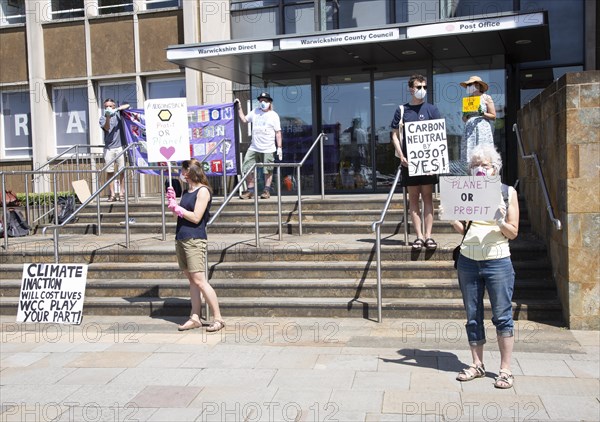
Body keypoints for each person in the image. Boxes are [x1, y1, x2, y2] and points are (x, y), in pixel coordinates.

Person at [451, 144, 519, 389]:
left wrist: (499, 218)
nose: (480, 169)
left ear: (494, 169)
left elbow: (513, 232)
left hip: (498, 261)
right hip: (468, 261)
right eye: (475, 165)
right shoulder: (466, 192)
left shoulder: (506, 192)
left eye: (485, 165)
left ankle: (505, 370)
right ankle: (477, 364)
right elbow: (465, 229)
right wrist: (450, 217)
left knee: (502, 316)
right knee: (473, 317)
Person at [166, 158, 225, 333]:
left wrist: (180, 210)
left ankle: (218, 318)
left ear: (191, 172)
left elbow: (196, 217)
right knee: (192, 280)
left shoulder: (203, 191)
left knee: (199, 280)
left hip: (195, 238)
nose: (181, 174)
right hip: (181, 236)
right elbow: (178, 217)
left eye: (183, 171)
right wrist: (173, 203)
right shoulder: (185, 192)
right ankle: (195, 317)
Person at [390, 74, 441, 250]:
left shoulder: (432, 110)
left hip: (428, 163)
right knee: (413, 198)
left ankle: (428, 236)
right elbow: (395, 134)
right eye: (419, 87)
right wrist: (400, 154)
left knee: (428, 197)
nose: (422, 91)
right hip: (409, 163)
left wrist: (435, 161)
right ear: (411, 88)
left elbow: (438, 136)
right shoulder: (402, 110)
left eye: (424, 87)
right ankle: (418, 237)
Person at [234, 92, 283, 199]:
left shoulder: (273, 115)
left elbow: (278, 132)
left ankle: (266, 190)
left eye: (265, 101)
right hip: (254, 147)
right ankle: (250, 190)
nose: (263, 103)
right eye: (261, 101)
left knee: (268, 169)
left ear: (269, 103)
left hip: (268, 147)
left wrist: (279, 147)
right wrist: (239, 108)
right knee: (247, 167)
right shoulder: (255, 112)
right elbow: (244, 120)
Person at [460, 76, 496, 173]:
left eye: (470, 85)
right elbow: (464, 119)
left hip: (482, 128)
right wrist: (466, 115)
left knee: (483, 152)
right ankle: (470, 173)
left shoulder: (486, 97)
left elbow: (493, 116)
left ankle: (485, 172)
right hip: (470, 129)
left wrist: (482, 113)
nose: (468, 87)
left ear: (477, 85)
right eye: (467, 85)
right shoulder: (468, 100)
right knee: (469, 152)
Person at [99, 99, 130, 202]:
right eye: (106, 106)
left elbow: (128, 105)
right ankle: (112, 194)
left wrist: (116, 109)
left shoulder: (118, 114)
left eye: (110, 106)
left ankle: (122, 192)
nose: (108, 108)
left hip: (120, 146)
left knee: (121, 171)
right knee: (110, 171)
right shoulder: (103, 118)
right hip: (109, 148)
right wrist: (108, 116)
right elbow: (107, 128)